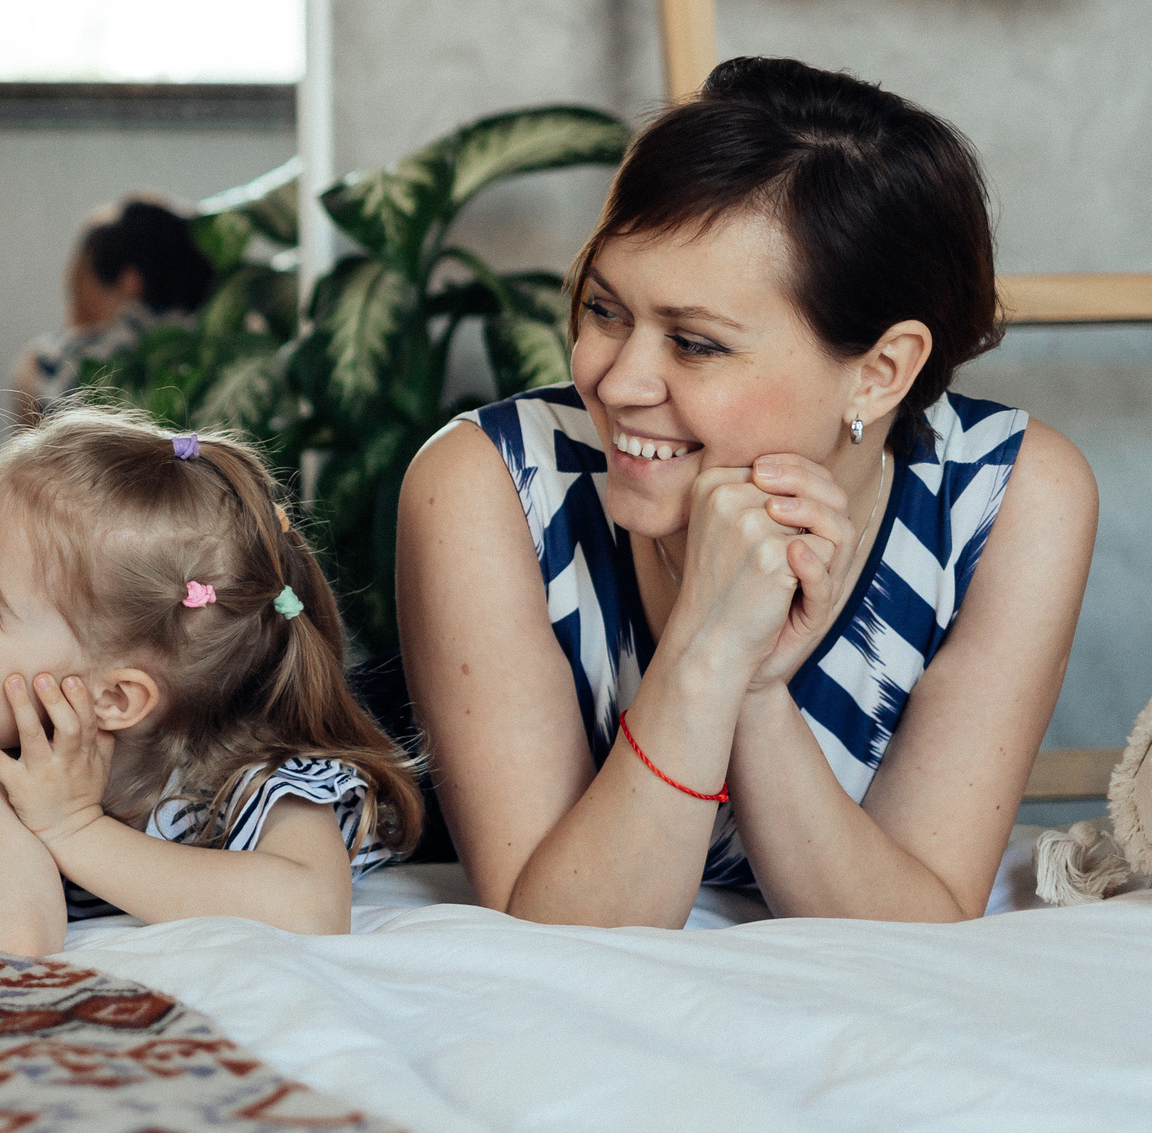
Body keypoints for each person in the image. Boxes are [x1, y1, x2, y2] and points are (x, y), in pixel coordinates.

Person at [396, 58, 1096, 927]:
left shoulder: (1010, 500)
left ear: (880, 373)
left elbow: (917, 926)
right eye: (607, 311)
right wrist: (709, 641)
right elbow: (565, 932)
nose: (616, 382)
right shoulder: (487, 484)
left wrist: (759, 689)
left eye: (695, 343)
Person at [0, 408, 420, 953]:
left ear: (114, 698)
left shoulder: (254, 778)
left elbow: (312, 913)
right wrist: (1, 782)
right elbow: (2, 942)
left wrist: (75, 830)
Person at [10, 194, 215, 427]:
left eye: (78, 287)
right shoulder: (220, 353)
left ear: (130, 283)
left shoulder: (53, 362)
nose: (71, 311)